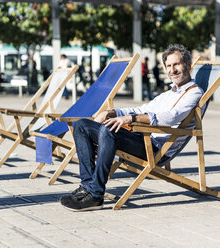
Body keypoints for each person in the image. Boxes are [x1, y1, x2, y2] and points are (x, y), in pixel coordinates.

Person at [59, 44, 203, 211]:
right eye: (169, 66)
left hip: (155, 149)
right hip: (143, 139)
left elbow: (171, 117)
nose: (172, 70)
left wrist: (130, 118)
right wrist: (113, 112)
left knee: (109, 130)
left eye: (176, 64)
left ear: (187, 65)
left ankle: (96, 194)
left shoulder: (194, 93)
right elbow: (142, 109)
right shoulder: (169, 94)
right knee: (82, 125)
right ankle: (87, 187)